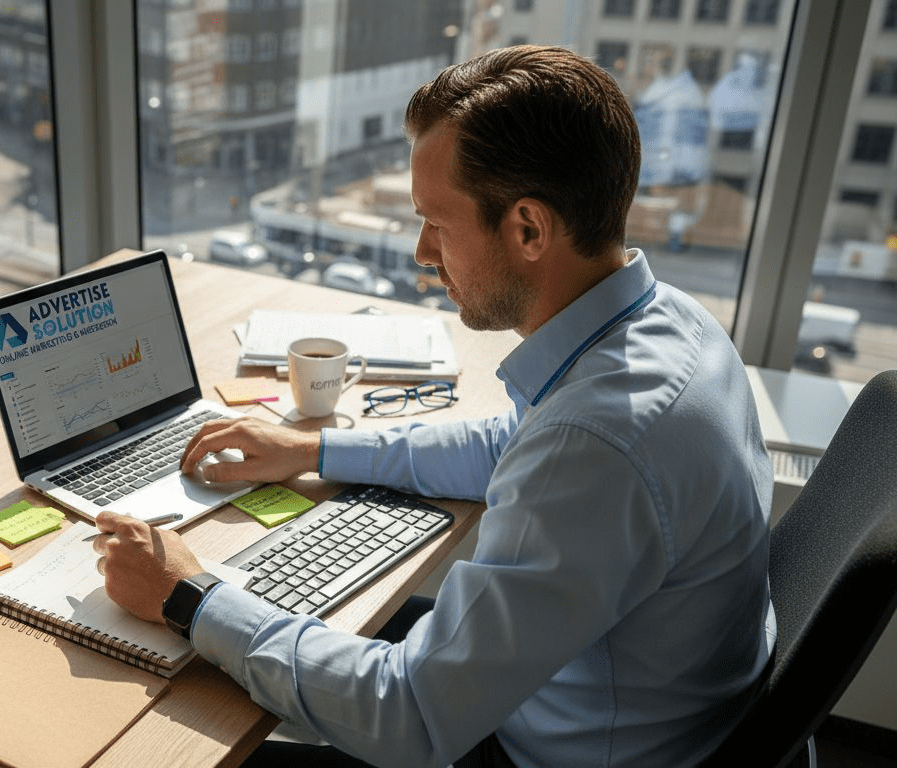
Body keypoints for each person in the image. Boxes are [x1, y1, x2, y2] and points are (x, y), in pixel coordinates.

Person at [92, 45, 774, 768]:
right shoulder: (669, 322)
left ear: (529, 229)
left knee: (185, 742)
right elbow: (512, 448)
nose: (421, 252)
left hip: (545, 751)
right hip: (642, 708)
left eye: (437, 223)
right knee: (301, 631)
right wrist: (314, 450)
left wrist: (187, 595)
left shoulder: (595, 443)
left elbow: (409, 718)